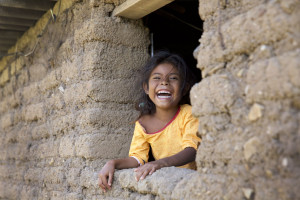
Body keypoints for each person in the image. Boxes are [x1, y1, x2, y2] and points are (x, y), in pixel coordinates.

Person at [98, 51, 201, 192]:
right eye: (157, 78)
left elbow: (192, 150)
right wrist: (112, 163)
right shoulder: (143, 123)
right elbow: (138, 158)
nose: (164, 82)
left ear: (184, 89)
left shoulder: (188, 113)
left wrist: (160, 163)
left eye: (173, 78)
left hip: (193, 184)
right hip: (166, 186)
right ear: (146, 88)